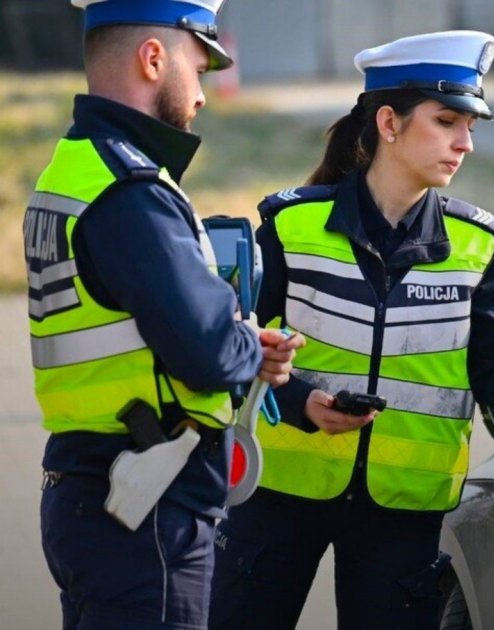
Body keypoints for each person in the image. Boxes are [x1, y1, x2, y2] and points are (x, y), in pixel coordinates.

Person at [208, 31, 494, 629]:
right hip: (279, 497)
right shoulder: (289, 226)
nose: (465, 144)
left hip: (407, 513)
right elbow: (241, 351)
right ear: (389, 122)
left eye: (472, 127)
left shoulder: (478, 245)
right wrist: (305, 402)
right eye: (448, 121)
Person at [25, 1, 304, 628]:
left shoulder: (73, 169)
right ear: (154, 58)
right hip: (144, 512)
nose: (202, 95)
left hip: (97, 491)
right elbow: (205, 351)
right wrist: (249, 345)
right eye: (198, 69)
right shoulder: (131, 190)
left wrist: (234, 338)